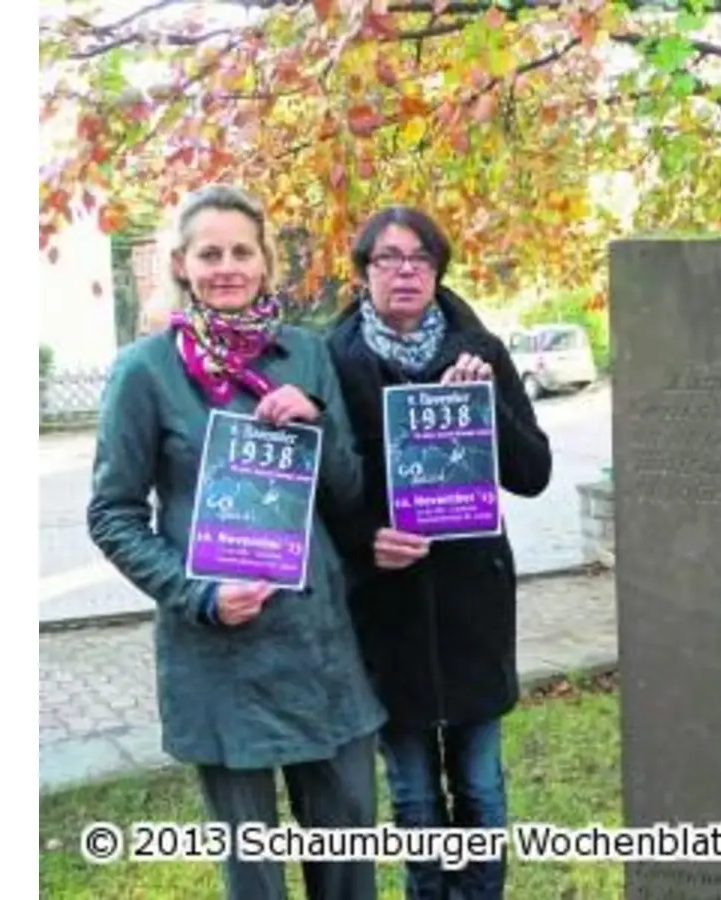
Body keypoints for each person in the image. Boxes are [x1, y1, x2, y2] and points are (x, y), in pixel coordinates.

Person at [86, 184, 387, 900]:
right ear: (182, 265)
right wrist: (200, 595)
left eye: (241, 251)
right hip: (221, 655)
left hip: (320, 651)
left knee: (347, 861)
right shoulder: (145, 372)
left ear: (265, 261)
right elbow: (113, 513)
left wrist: (316, 424)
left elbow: (346, 494)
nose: (227, 266)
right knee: (254, 876)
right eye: (209, 253)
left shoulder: (306, 356)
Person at [324, 206, 553, 899]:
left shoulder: (478, 351)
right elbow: (326, 492)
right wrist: (367, 542)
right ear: (363, 274)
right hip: (386, 609)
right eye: (387, 258)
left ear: (438, 270)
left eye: (420, 258)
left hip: (472, 607)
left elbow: (533, 472)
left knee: (481, 783)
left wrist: (488, 408)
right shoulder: (333, 361)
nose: (405, 271)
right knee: (415, 791)